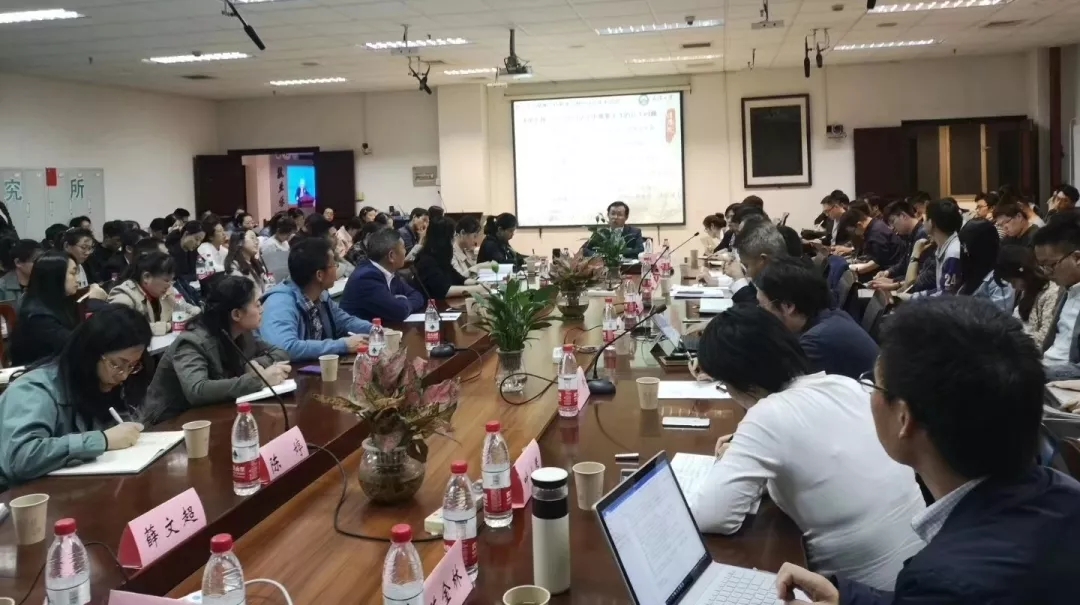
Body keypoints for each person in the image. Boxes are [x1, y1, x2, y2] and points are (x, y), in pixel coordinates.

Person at [775, 297, 1080, 605]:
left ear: (904, 419)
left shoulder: (945, 579)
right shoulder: (1066, 493)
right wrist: (847, 600)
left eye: (874, 385)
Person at [693, 306, 924, 590]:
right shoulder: (844, 384)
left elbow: (713, 516)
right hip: (919, 575)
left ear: (742, 382)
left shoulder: (768, 415)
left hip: (856, 593)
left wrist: (726, 459)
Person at [0, 305, 151, 489]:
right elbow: (21, 458)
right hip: (18, 496)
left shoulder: (103, 384)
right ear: (91, 353)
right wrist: (102, 440)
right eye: (117, 364)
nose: (124, 375)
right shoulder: (34, 390)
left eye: (132, 366)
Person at [145, 276, 290, 423]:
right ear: (236, 314)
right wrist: (259, 380)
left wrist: (251, 364)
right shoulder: (191, 342)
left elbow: (280, 353)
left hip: (211, 413)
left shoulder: (242, 333)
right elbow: (197, 390)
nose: (262, 309)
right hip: (167, 424)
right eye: (257, 305)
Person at [755, 257, 878, 379]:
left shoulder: (815, 343)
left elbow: (780, 383)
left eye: (762, 305)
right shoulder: (828, 316)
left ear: (788, 306)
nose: (759, 311)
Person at [259, 237, 371, 361]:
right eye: (334, 264)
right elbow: (284, 349)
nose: (337, 267)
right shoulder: (279, 303)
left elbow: (345, 322)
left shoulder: (321, 296)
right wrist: (343, 345)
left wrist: (376, 330)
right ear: (319, 275)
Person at [10, 251, 106, 366]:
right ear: (56, 276)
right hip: (38, 372)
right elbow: (78, 346)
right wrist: (95, 304)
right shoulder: (38, 316)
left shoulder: (60, 302)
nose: (78, 279)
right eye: (73, 273)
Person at [1033, 212, 1080, 379]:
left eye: (1050, 265)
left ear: (1077, 258)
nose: (1047, 273)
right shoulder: (1066, 290)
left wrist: (1037, 373)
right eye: (1042, 267)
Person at [342, 228, 425, 321]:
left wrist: (400, 302)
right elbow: (398, 311)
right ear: (391, 256)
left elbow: (417, 296)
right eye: (403, 248)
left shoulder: (389, 270)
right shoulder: (366, 278)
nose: (405, 251)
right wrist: (403, 301)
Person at [107, 251, 200, 332]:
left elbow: (190, 309)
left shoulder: (167, 291)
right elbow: (125, 328)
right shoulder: (124, 294)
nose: (169, 285)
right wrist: (169, 326)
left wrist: (192, 315)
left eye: (171, 280)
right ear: (146, 277)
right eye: (166, 280)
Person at [712, 217, 788, 305]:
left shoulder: (781, 284)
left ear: (763, 260)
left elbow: (754, 308)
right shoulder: (769, 272)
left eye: (747, 266)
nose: (747, 274)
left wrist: (739, 279)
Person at [997, 244, 1062, 346]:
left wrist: (1013, 336)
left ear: (1025, 273)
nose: (1013, 287)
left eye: (1013, 281)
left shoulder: (1051, 292)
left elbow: (1044, 338)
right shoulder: (1027, 290)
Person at [413, 219, 486, 299]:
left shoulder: (440, 258)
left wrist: (479, 283)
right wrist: (476, 289)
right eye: (452, 237)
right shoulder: (426, 261)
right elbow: (444, 290)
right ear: (443, 240)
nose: (453, 241)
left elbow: (459, 279)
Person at [910, 198, 962, 299]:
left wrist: (913, 299)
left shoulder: (953, 252)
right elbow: (940, 289)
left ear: (932, 223)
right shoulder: (943, 246)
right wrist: (913, 297)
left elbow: (947, 296)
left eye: (926, 218)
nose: (923, 222)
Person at [957, 219, 1014, 313]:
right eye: (963, 246)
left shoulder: (1000, 280)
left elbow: (1000, 317)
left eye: (967, 246)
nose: (965, 251)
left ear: (981, 247)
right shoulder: (973, 270)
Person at [871, 201, 928, 292]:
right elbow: (904, 263)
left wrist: (894, 283)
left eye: (893, 221)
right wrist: (887, 272)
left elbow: (921, 273)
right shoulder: (909, 235)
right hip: (907, 284)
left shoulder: (922, 234)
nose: (892, 227)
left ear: (903, 216)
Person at [836, 207, 906, 276]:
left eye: (853, 231)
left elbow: (879, 261)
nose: (855, 234)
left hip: (892, 270)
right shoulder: (875, 225)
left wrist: (857, 269)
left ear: (859, 225)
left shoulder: (876, 233)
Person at [225, 229, 270, 295]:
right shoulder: (233, 266)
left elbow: (266, 284)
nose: (256, 242)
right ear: (240, 242)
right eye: (252, 238)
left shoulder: (256, 263)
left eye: (256, 239)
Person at [0, 239, 42, 308]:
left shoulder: (44, 282)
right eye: (36, 261)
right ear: (18, 262)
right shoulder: (2, 288)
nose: (41, 264)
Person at [260, 216, 297, 284]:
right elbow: (269, 268)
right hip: (275, 279)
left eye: (290, 235)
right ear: (279, 230)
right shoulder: (269, 245)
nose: (288, 237)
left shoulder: (285, 242)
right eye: (287, 234)